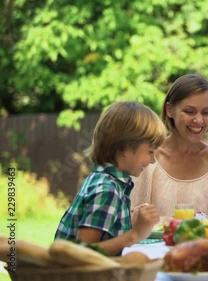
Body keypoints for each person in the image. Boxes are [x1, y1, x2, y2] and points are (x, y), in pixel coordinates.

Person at [54, 101, 166, 256]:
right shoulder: (107, 190)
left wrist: (131, 223)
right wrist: (136, 234)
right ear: (126, 148)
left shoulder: (106, 182)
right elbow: (82, 253)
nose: (153, 160)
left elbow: (106, 237)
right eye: (151, 152)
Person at [131, 74, 208, 224]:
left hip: (203, 246)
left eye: (206, 112)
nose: (199, 120)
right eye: (189, 112)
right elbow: (130, 216)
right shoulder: (146, 159)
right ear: (170, 110)